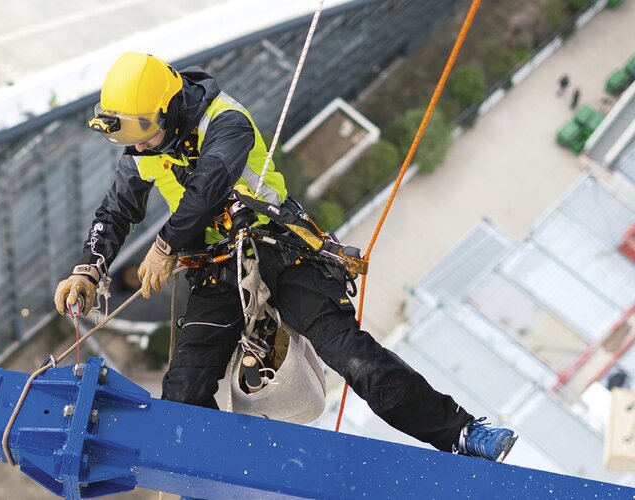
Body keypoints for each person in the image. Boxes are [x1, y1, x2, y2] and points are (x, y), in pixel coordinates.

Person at [53, 52, 517, 462]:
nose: (137, 147)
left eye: (144, 133)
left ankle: (459, 432)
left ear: (169, 110)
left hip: (276, 249)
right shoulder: (142, 145)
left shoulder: (225, 121)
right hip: (216, 269)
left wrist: (164, 245)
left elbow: (208, 185)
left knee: (354, 357)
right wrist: (88, 268)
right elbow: (115, 210)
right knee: (182, 394)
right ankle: (224, 475)